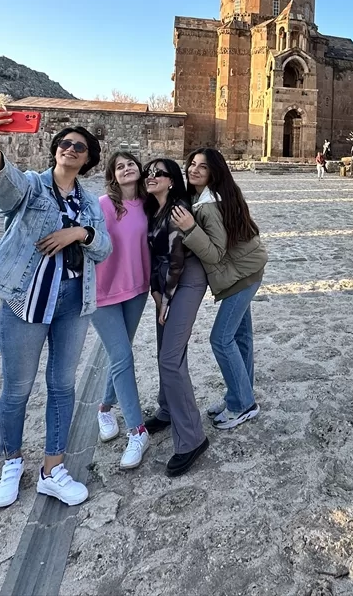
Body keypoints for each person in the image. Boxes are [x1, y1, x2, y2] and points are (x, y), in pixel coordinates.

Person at [0, 108, 111, 509]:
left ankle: (52, 470)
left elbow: (103, 247)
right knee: (17, 388)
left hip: (73, 302)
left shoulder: (89, 203)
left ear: (88, 159)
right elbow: (2, 186)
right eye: (65, 144)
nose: (70, 149)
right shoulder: (33, 187)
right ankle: (11, 463)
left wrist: (79, 232)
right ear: (55, 151)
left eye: (79, 147)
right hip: (27, 300)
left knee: (62, 385)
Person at [171, 148, 268, 431]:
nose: (194, 169)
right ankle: (240, 395)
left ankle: (242, 405)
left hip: (242, 275)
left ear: (214, 171)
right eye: (192, 164)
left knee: (221, 339)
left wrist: (189, 228)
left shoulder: (209, 205)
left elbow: (214, 253)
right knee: (241, 337)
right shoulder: (211, 196)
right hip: (248, 269)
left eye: (203, 166)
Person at [141, 157, 212, 477]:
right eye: (148, 172)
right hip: (166, 284)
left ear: (172, 180)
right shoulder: (153, 208)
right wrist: (157, 294)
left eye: (159, 173)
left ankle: (192, 439)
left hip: (185, 281)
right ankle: (168, 408)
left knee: (171, 357)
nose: (150, 176)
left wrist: (165, 298)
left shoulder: (177, 209)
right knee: (163, 349)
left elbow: (176, 258)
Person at [90, 151, 151, 470]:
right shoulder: (101, 205)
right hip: (101, 294)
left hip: (136, 290)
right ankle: (138, 430)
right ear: (113, 175)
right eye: (120, 166)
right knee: (123, 357)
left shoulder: (149, 204)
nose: (127, 169)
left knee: (120, 354)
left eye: (131, 164)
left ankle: (104, 408)